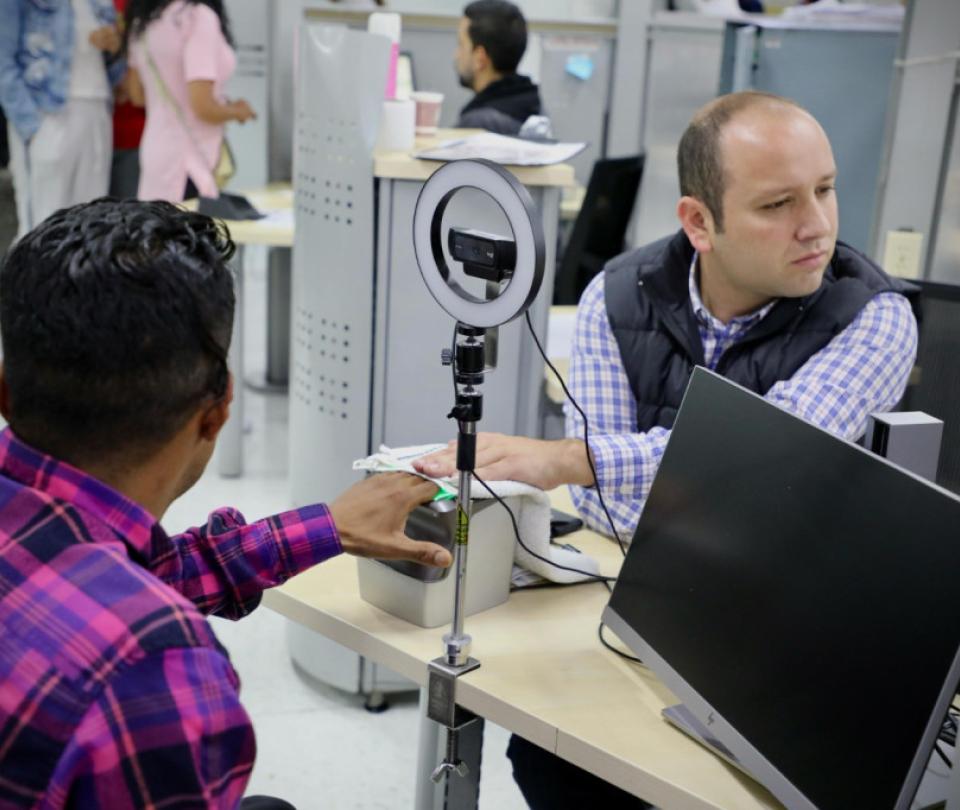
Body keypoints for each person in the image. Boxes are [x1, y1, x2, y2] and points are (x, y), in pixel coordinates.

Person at [416, 90, 919, 808]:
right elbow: (604, 510)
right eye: (778, 204)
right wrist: (692, 492)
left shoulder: (873, 319)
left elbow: (772, 454)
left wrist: (570, 459)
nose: (817, 225)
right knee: (549, 757)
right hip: (641, 609)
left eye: (826, 189)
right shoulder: (618, 295)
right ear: (698, 222)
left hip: (781, 642)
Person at [0, 199, 451, 809]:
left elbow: (121, 580)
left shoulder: (69, 560)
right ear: (216, 414)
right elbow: (121, 614)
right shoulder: (150, 669)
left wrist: (325, 527)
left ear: (5, 392)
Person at [0, 0, 124, 238]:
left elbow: (116, 70)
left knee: (93, 223)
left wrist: (115, 48)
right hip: (48, 112)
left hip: (97, 108)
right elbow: (3, 61)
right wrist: (31, 123)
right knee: (43, 225)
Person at [123, 0, 255, 201]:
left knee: (155, 218)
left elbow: (137, 96)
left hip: (156, 149)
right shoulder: (196, 17)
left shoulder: (142, 22)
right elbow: (202, 107)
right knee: (186, 219)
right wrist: (237, 112)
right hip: (191, 159)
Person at [454, 0, 544, 136]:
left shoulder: (477, 126)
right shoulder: (534, 108)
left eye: (461, 45)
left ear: (480, 58)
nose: (456, 55)